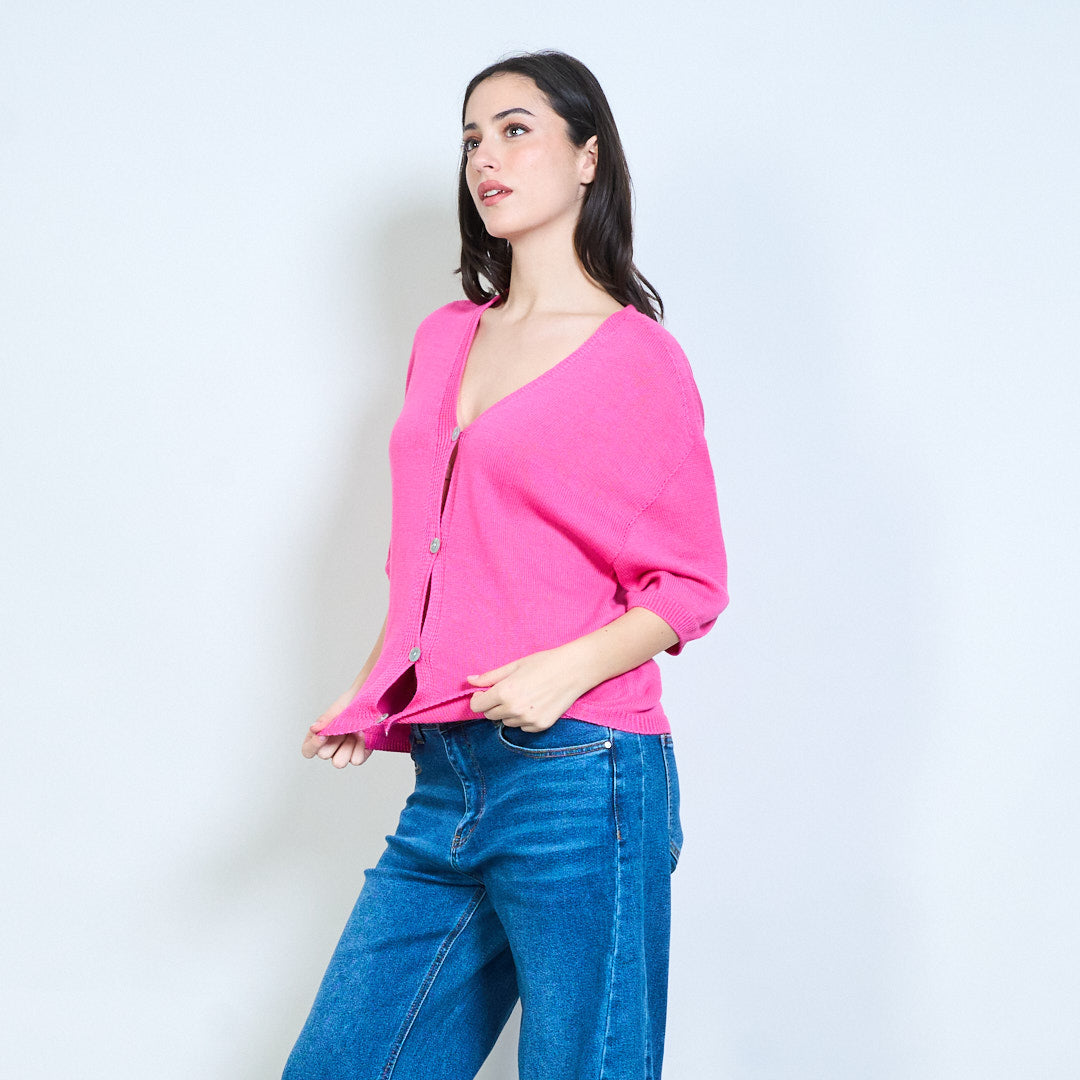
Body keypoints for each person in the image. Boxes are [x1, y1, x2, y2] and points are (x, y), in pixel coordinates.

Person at [283, 49, 728, 1080]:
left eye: (517, 130)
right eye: (472, 139)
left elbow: (691, 582)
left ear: (588, 157)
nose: (487, 157)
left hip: (583, 772)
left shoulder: (636, 358)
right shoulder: (445, 338)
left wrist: (560, 672)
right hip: (449, 776)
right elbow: (435, 547)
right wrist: (376, 681)